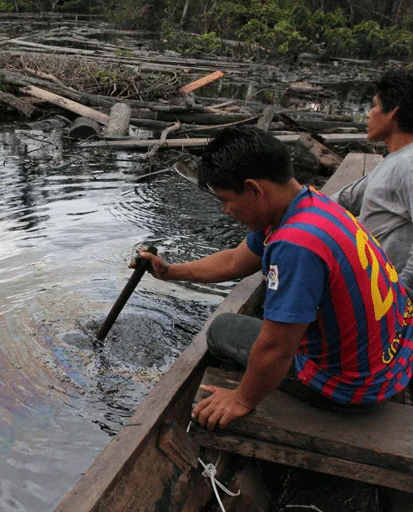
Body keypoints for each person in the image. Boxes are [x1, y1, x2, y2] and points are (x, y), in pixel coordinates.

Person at [135, 126, 413, 430]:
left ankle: (253, 390)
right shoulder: (310, 204)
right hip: (394, 362)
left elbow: (276, 349)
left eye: (226, 200)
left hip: (351, 389)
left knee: (222, 329)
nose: (226, 211)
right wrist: (170, 270)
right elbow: (233, 262)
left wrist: (242, 399)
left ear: (255, 189)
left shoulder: (296, 245)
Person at [334, 68, 413, 292]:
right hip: (369, 290)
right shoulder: (396, 160)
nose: (370, 113)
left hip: (385, 300)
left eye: (376, 106)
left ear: (393, 114)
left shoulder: (409, 166)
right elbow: (344, 199)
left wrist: (403, 294)